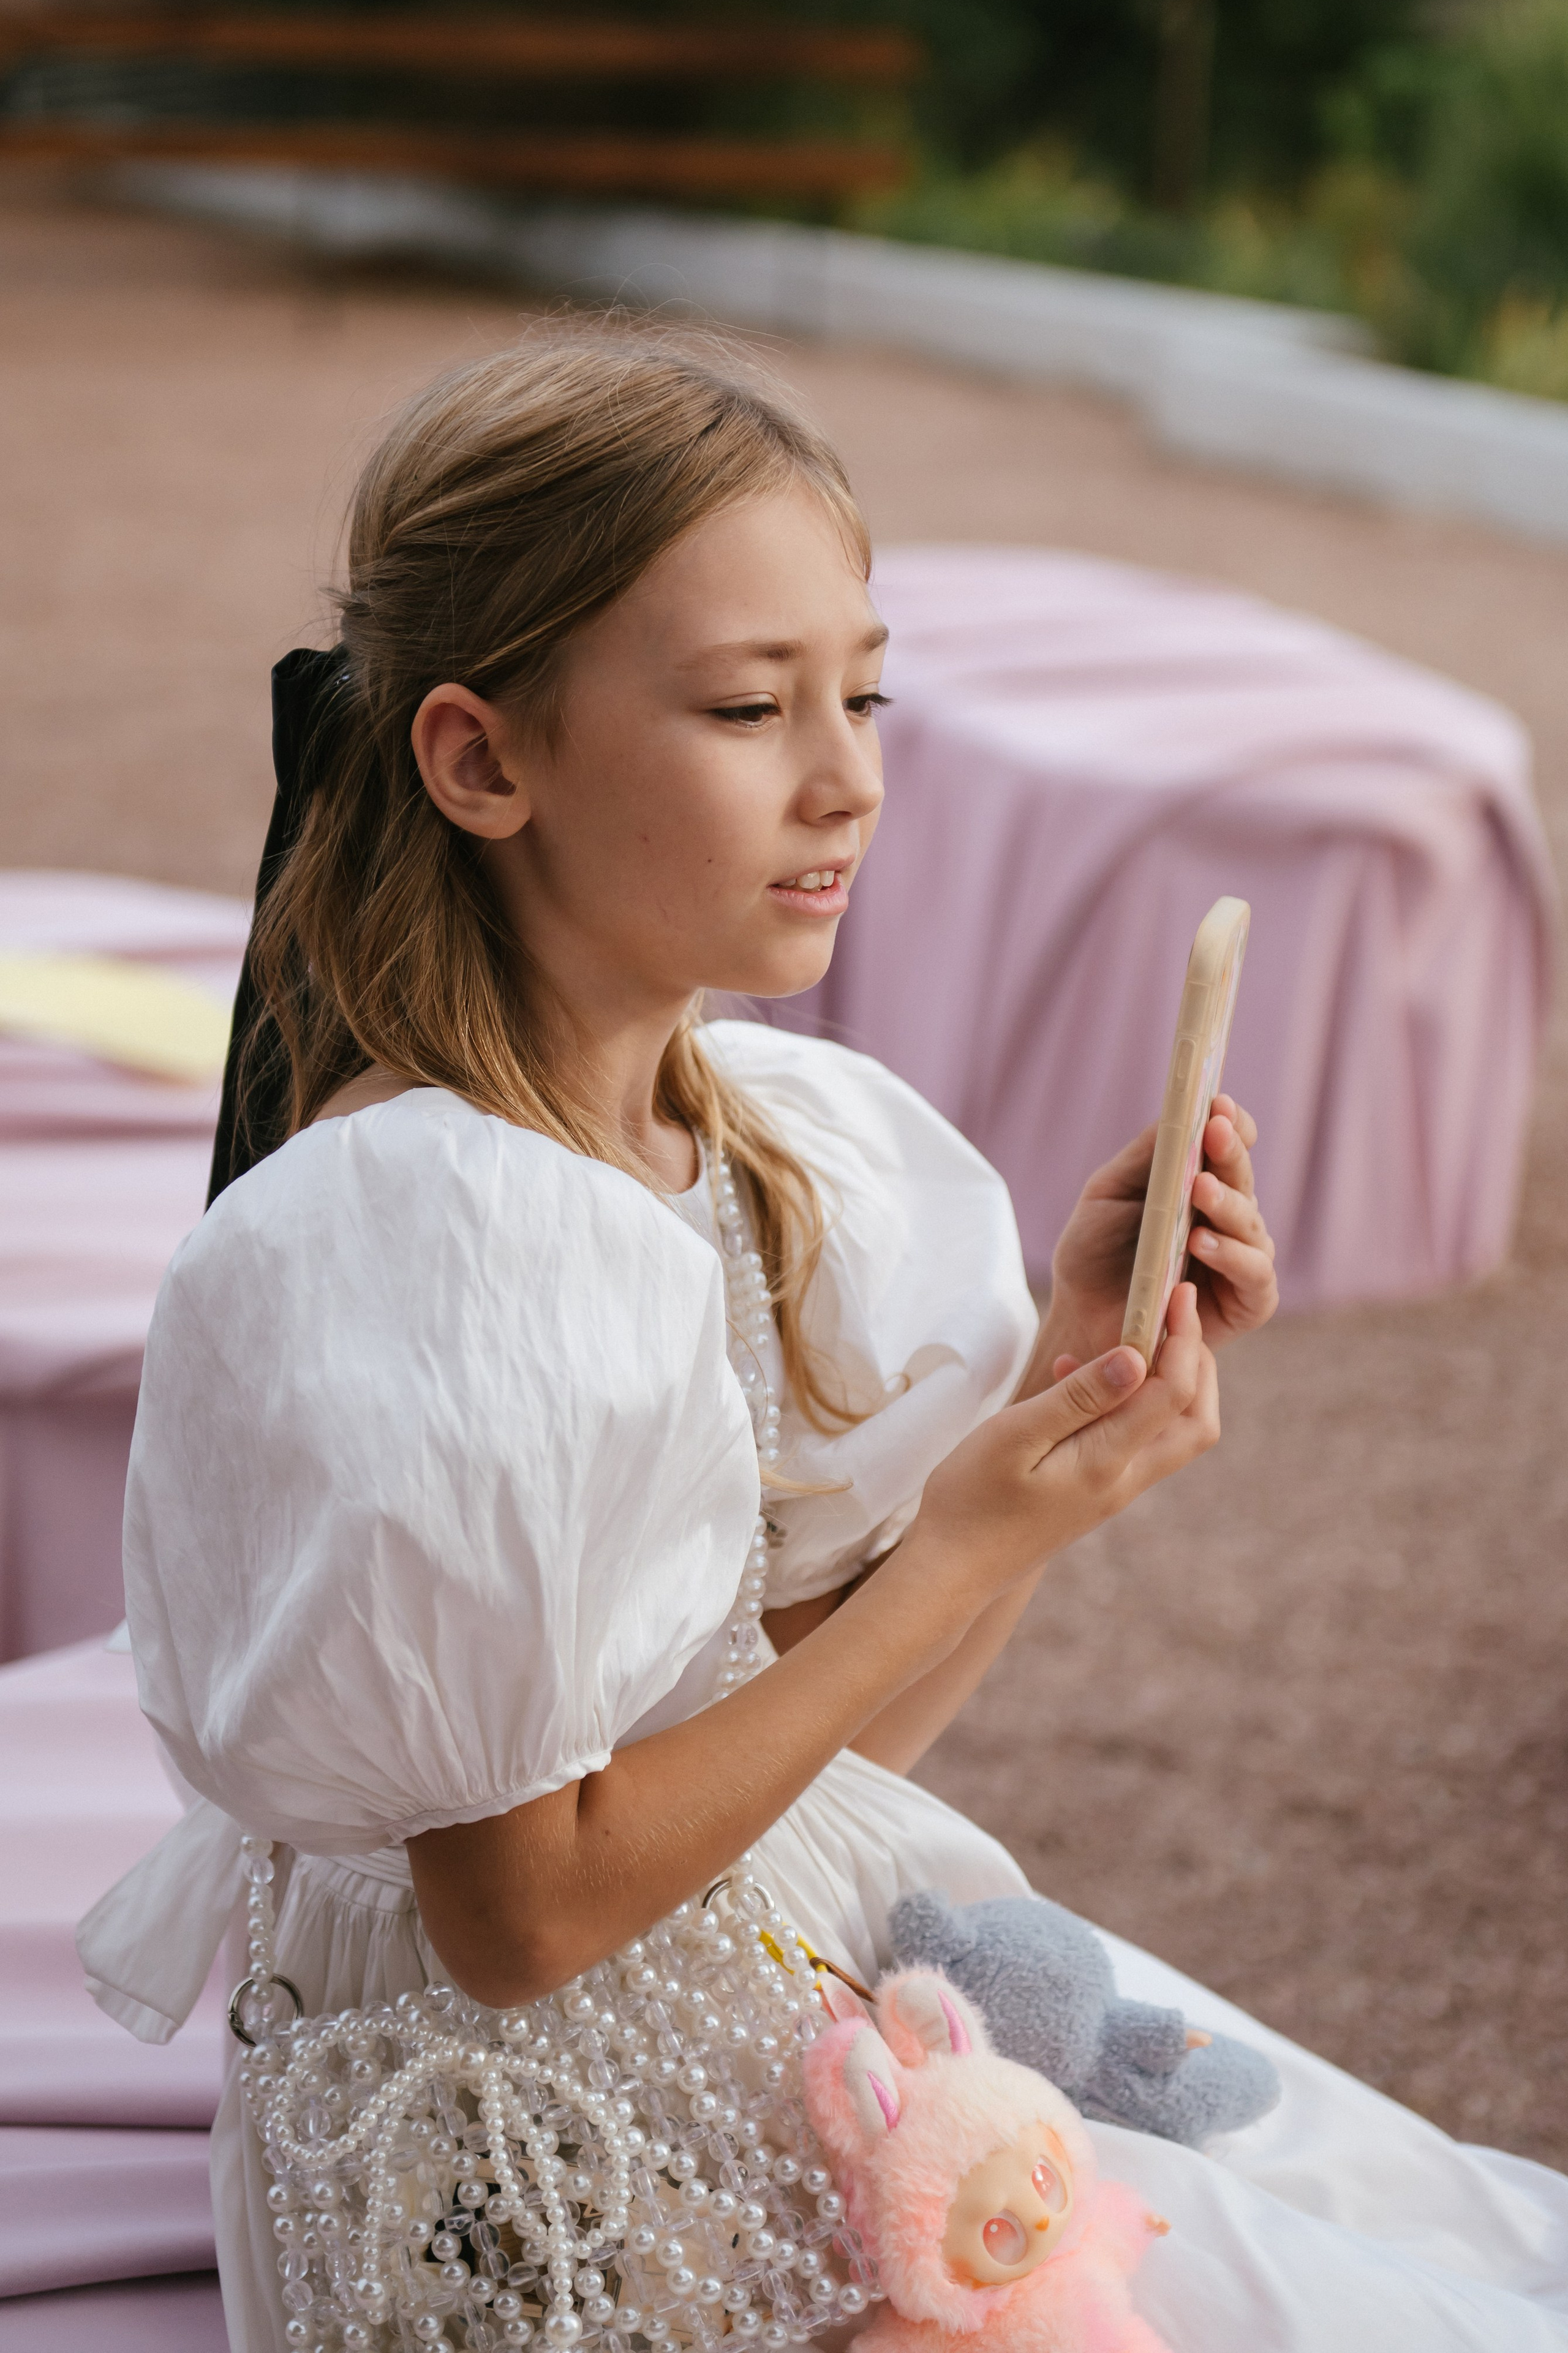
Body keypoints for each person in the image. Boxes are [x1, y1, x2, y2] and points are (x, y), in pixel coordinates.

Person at [89, 328, 1567, 2351]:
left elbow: (805, 1766)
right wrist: (953, 1545)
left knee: (1412, 2250)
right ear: (479, 757)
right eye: (745, 705)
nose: (848, 773)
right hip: (522, 2170)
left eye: (863, 690)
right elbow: (516, 1915)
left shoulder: (746, 1133)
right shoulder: (429, 1232)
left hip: (737, 1988)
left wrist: (1057, 1414)